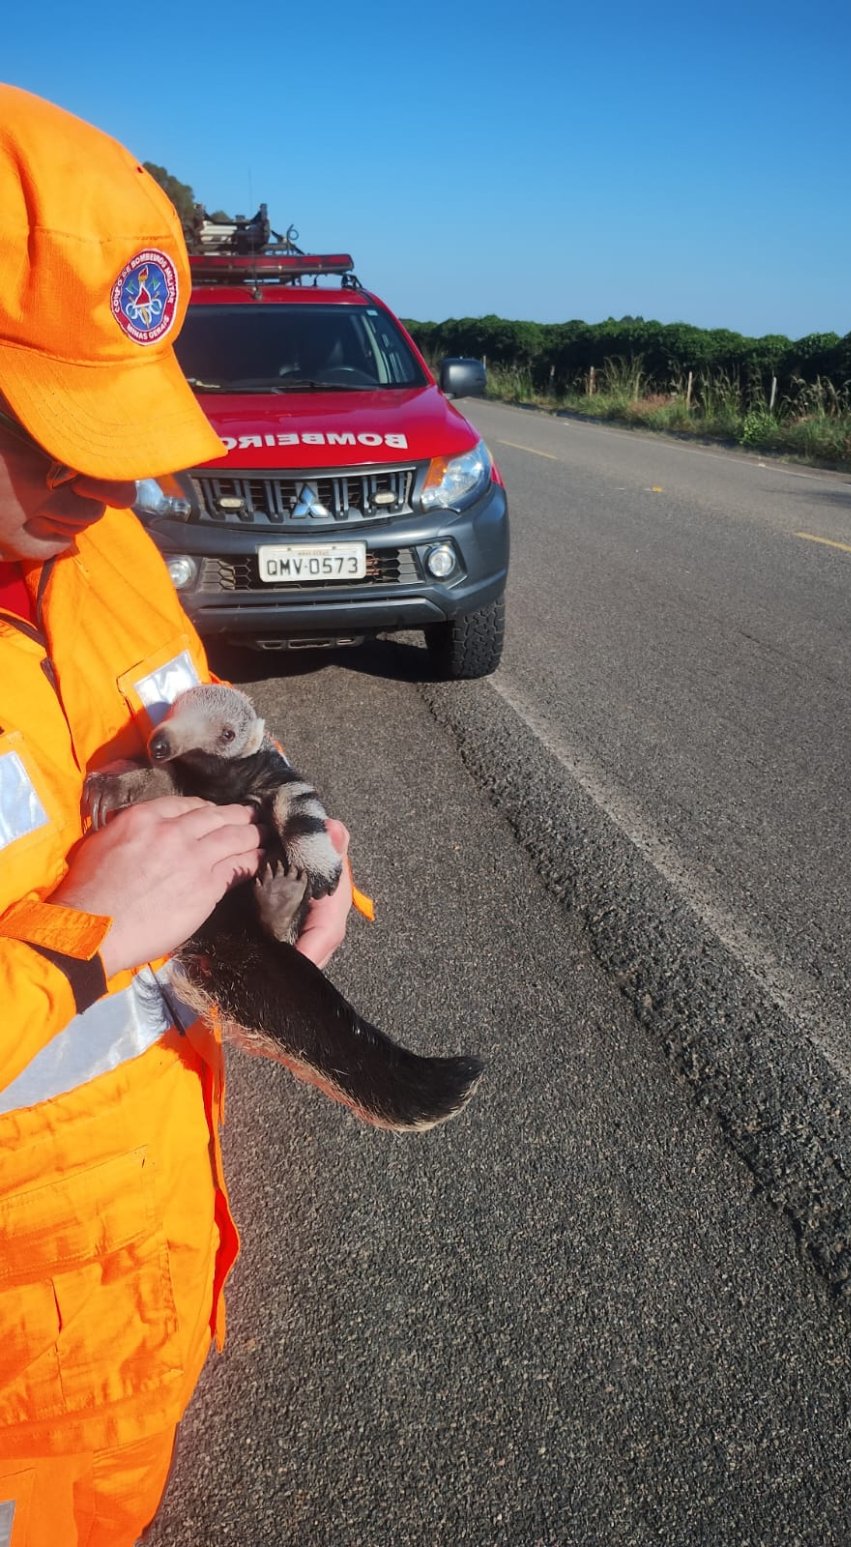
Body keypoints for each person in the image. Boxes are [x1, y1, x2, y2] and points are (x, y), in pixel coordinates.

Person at [0, 85, 353, 1545]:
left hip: (123, 1309)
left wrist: (292, 858)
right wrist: (80, 952)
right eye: (52, 431)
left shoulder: (101, 547)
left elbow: (203, 733)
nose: (116, 479)